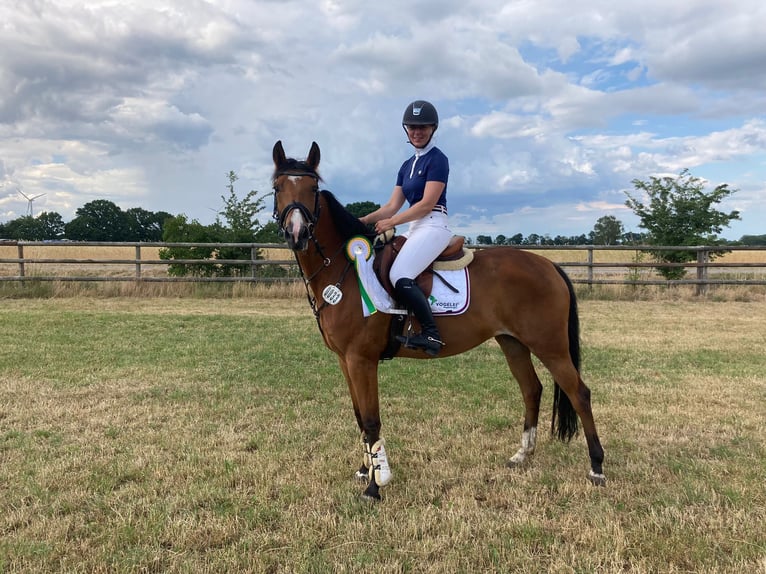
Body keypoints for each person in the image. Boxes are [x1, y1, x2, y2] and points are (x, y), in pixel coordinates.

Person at [359, 100, 452, 356]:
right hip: (415, 227)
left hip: (434, 224)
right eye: (412, 127)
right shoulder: (406, 165)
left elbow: (426, 204)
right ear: (406, 129)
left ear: (432, 128)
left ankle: (432, 334)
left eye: (422, 127)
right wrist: (363, 220)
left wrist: (392, 223)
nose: (417, 132)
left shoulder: (438, 160)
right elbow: (391, 205)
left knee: (400, 275)